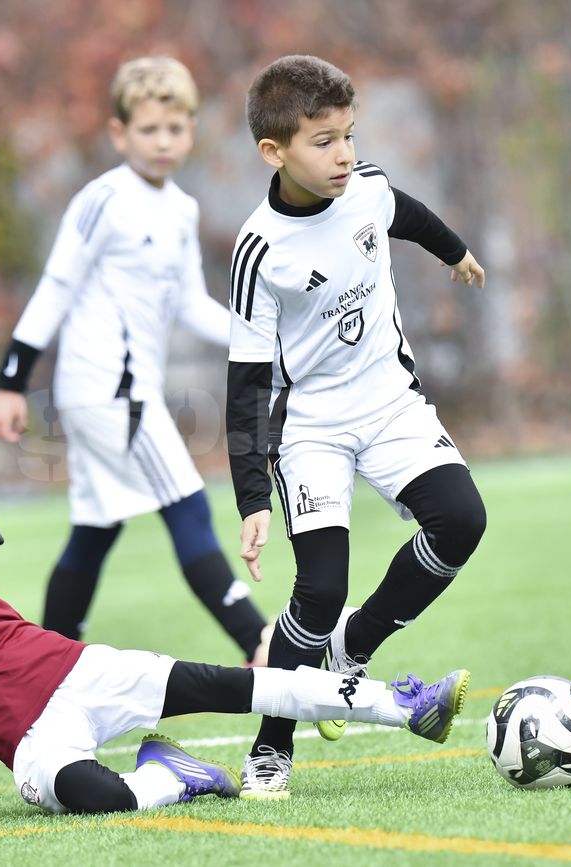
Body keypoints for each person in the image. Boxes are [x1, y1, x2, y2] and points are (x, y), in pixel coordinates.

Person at [0, 444, 470, 834]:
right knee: (94, 796)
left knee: (239, 684)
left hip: (80, 672)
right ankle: (178, 776)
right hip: (33, 741)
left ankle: (408, 705)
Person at [224, 55, 488, 800]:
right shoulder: (259, 249)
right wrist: (251, 498)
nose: (343, 154)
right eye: (322, 141)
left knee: (462, 519)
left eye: (348, 134)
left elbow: (404, 211)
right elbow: (245, 385)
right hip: (311, 426)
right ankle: (272, 744)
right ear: (274, 152)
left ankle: (356, 646)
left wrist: (456, 251)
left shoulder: (363, 186)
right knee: (317, 588)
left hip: (391, 403)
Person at [0, 56, 271, 666]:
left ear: (191, 129)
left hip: (118, 395)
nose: (163, 142)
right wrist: (10, 381)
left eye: (175, 128)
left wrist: (262, 341)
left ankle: (42, 667)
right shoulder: (103, 200)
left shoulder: (182, 209)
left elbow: (191, 304)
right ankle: (259, 641)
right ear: (119, 134)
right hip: (109, 395)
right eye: (148, 130)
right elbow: (54, 290)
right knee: (187, 503)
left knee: (95, 528)